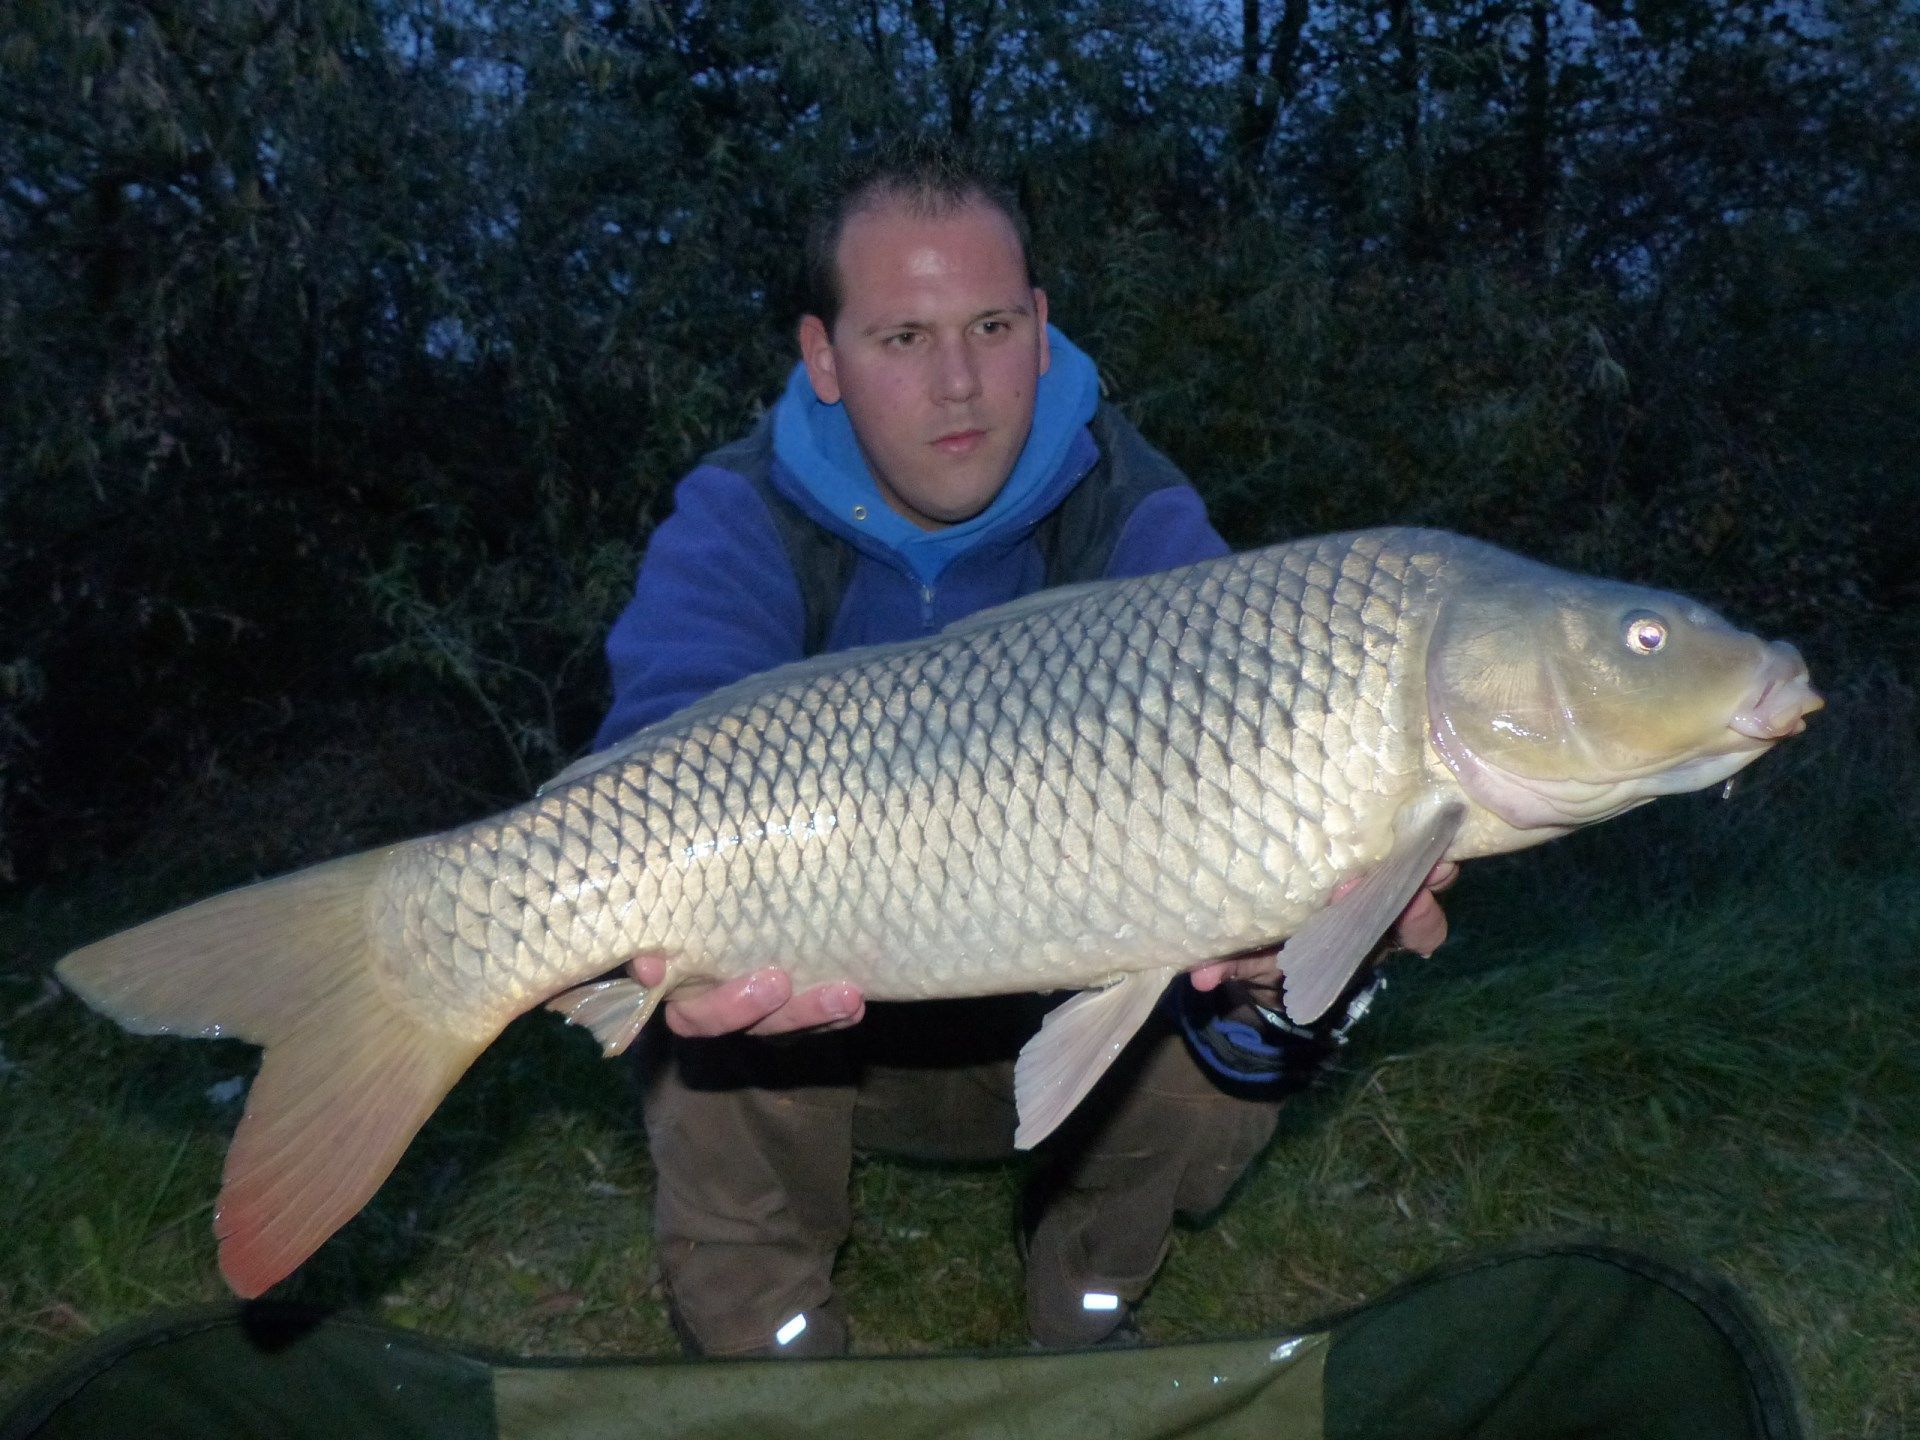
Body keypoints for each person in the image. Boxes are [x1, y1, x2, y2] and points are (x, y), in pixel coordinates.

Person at [594, 139, 1452, 1357]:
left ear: (1042, 329)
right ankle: (766, 1341)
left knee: (1271, 995)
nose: (960, 384)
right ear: (823, 358)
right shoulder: (743, 516)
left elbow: (1256, 755)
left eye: (993, 328)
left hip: (1058, 1031)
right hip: (826, 1038)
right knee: (696, 962)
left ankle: (1092, 1290)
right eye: (904, 339)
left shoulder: (1131, 511)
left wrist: (1305, 939)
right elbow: (661, 739)